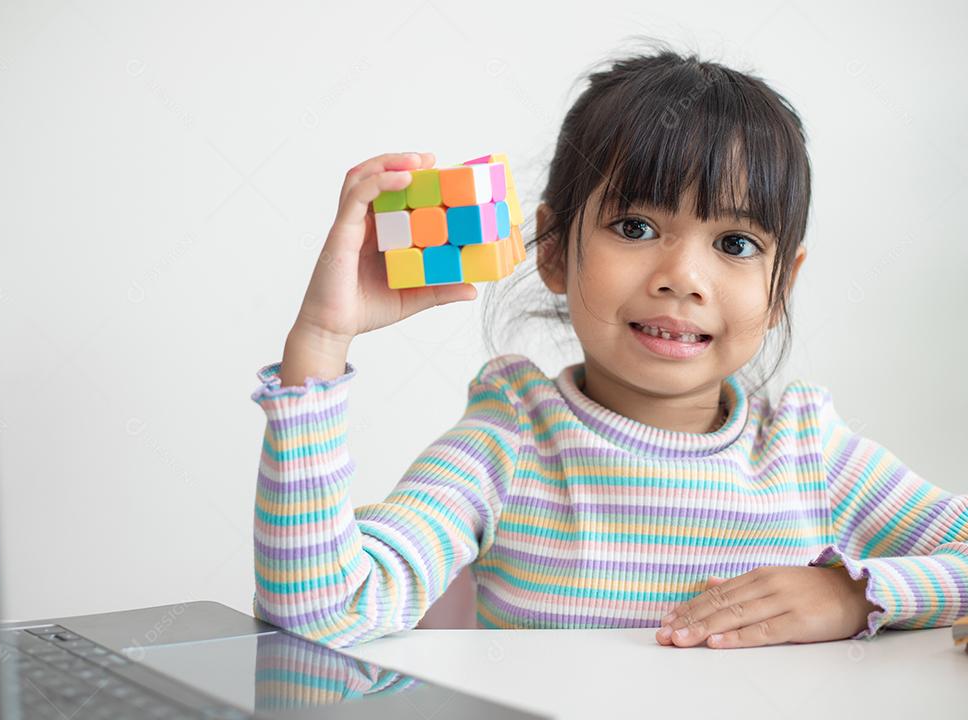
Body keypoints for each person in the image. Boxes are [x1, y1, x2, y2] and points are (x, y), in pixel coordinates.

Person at [250, 44, 968, 650]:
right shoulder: (511, 441)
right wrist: (320, 340)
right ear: (556, 250)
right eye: (634, 227)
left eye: (736, 244)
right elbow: (322, 614)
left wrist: (856, 595)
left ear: (781, 287)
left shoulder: (808, 451)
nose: (682, 278)